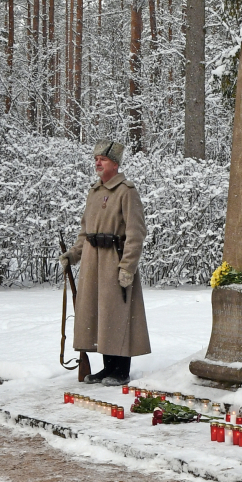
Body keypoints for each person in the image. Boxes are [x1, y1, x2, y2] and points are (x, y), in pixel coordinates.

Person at [59, 141, 151, 385]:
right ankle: (106, 368)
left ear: (116, 164)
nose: (97, 163)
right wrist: (73, 255)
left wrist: (127, 268)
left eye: (103, 159)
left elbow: (136, 233)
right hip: (92, 262)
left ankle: (121, 370)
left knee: (117, 314)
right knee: (98, 315)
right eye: (96, 158)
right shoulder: (94, 191)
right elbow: (84, 231)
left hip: (114, 259)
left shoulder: (126, 191)